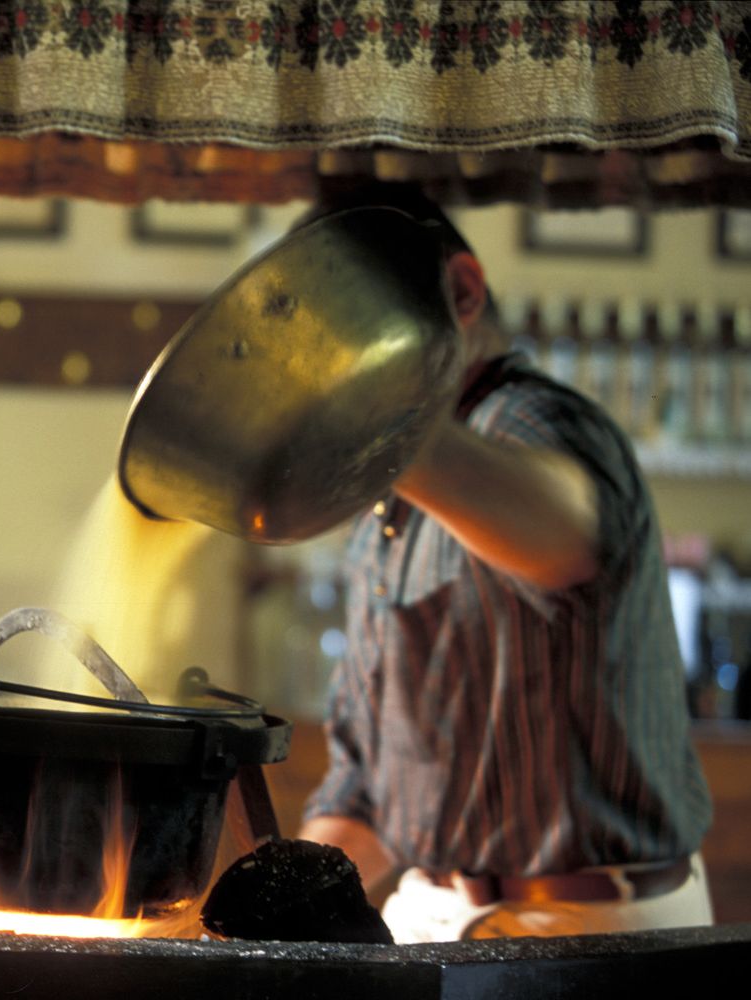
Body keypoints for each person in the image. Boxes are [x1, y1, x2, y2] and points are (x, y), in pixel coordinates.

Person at [292, 187, 714, 942]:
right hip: (432, 910)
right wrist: (279, 900)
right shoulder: (385, 511)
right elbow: (367, 786)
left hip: (589, 923)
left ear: (462, 292)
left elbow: (568, 537)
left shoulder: (531, 419)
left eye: (343, 326)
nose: (326, 363)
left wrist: (373, 424)